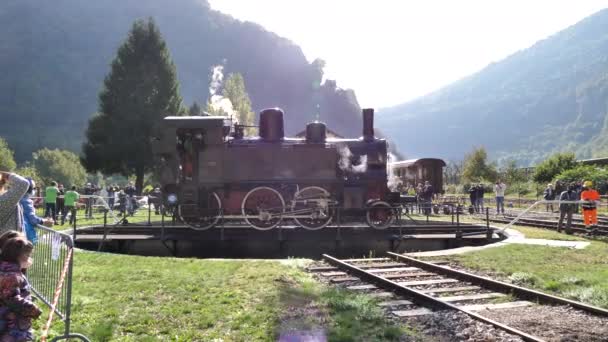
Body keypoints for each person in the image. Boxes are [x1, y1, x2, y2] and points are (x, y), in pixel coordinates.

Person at [0, 236, 42, 341]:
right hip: (12, 322)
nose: (30, 259)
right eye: (28, 255)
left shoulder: (5, 269)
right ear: (19, 256)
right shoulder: (12, 275)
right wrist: (32, 309)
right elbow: (12, 299)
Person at [20, 179, 53, 243]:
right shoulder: (26, 201)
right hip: (26, 235)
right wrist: (45, 221)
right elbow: (33, 220)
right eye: (34, 188)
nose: (34, 190)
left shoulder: (15, 199)